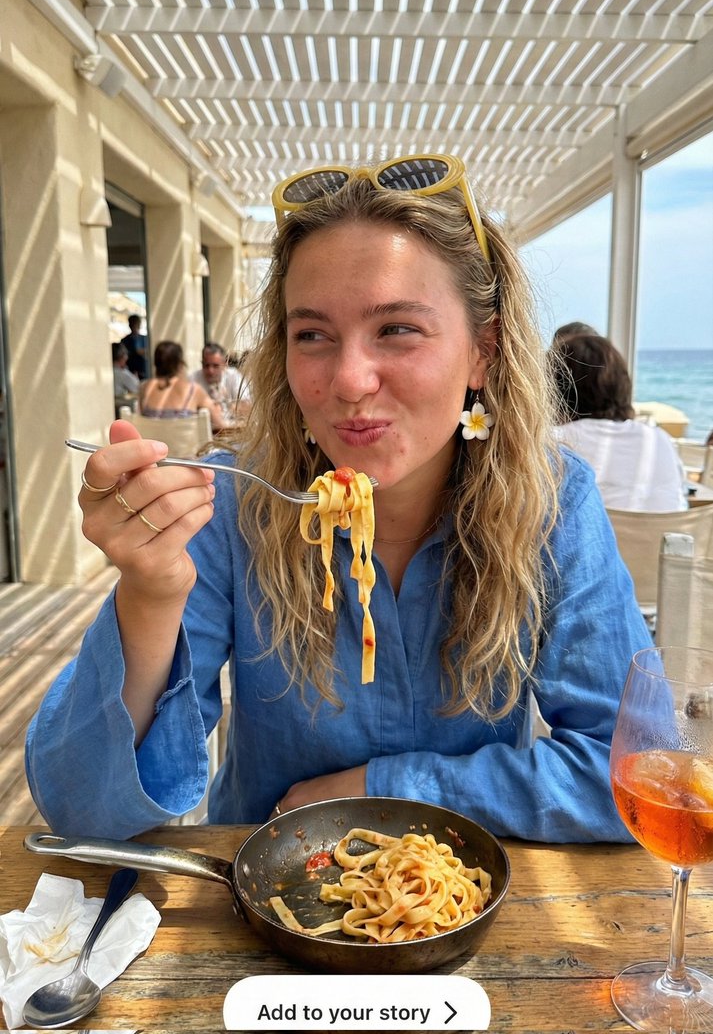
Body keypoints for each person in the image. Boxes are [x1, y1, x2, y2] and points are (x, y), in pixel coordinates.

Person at [26, 155, 651, 844]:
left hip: (468, 894)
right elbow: (83, 811)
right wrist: (148, 595)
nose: (349, 381)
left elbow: (631, 771)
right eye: (313, 335)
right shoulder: (230, 506)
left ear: (484, 350)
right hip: (259, 891)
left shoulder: (552, 505)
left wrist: (385, 788)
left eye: (396, 329)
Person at [551, 332, 688, 512]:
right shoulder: (659, 440)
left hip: (598, 530)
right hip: (666, 530)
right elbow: (679, 497)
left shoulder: (557, 442)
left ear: (556, 388)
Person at [140, 340, 222, 431]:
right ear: (180, 364)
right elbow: (219, 425)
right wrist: (217, 411)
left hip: (153, 439)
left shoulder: (145, 388)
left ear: (155, 363)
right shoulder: (193, 390)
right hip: (185, 440)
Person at [190, 342, 251, 428]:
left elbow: (247, 406)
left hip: (232, 429)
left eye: (215, 366)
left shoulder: (234, 376)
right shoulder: (193, 379)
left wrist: (228, 405)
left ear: (224, 364)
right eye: (206, 365)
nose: (210, 371)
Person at [112, 343, 140, 412]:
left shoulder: (110, 370)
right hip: (123, 406)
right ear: (122, 357)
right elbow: (137, 388)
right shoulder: (121, 373)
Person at [121, 315, 148, 380]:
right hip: (130, 372)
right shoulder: (125, 341)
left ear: (139, 325)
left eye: (136, 324)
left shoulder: (145, 339)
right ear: (129, 325)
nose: (134, 326)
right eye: (132, 324)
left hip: (144, 371)